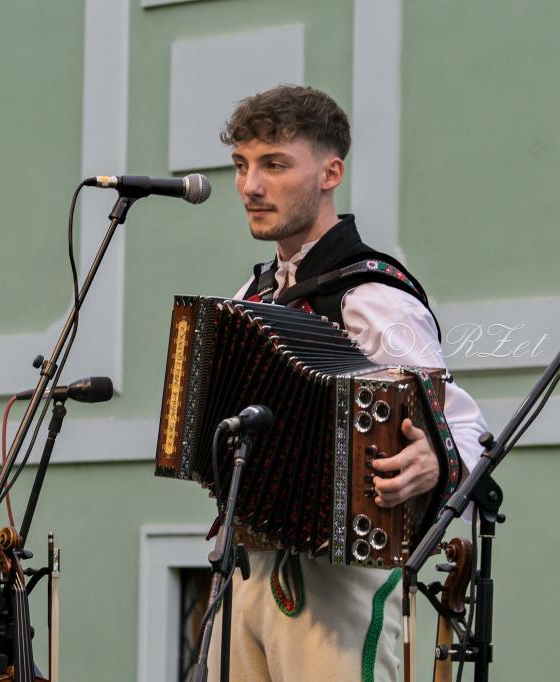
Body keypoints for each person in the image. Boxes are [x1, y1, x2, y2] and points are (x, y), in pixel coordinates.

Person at [207, 85, 488, 681]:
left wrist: (436, 460)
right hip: (244, 571)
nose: (250, 186)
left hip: (339, 584)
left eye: (274, 165)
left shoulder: (374, 299)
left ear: (330, 173)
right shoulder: (251, 296)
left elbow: (463, 426)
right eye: (241, 165)